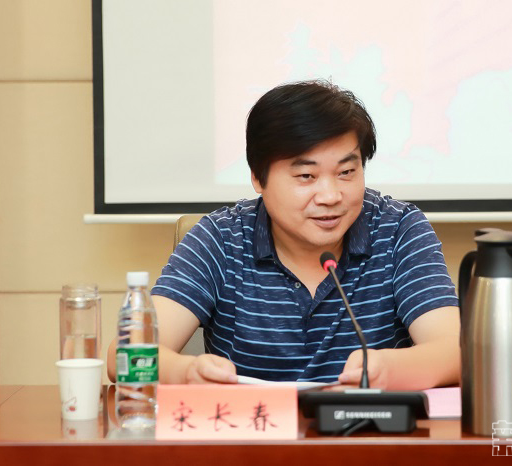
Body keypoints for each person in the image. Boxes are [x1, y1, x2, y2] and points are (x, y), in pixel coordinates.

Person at [107, 80, 460, 390]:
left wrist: (390, 369)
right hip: (251, 435)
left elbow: (456, 351)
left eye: (346, 172)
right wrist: (186, 373)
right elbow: (123, 356)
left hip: (369, 434)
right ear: (258, 178)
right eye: (306, 176)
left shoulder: (398, 229)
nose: (330, 195)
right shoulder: (221, 239)